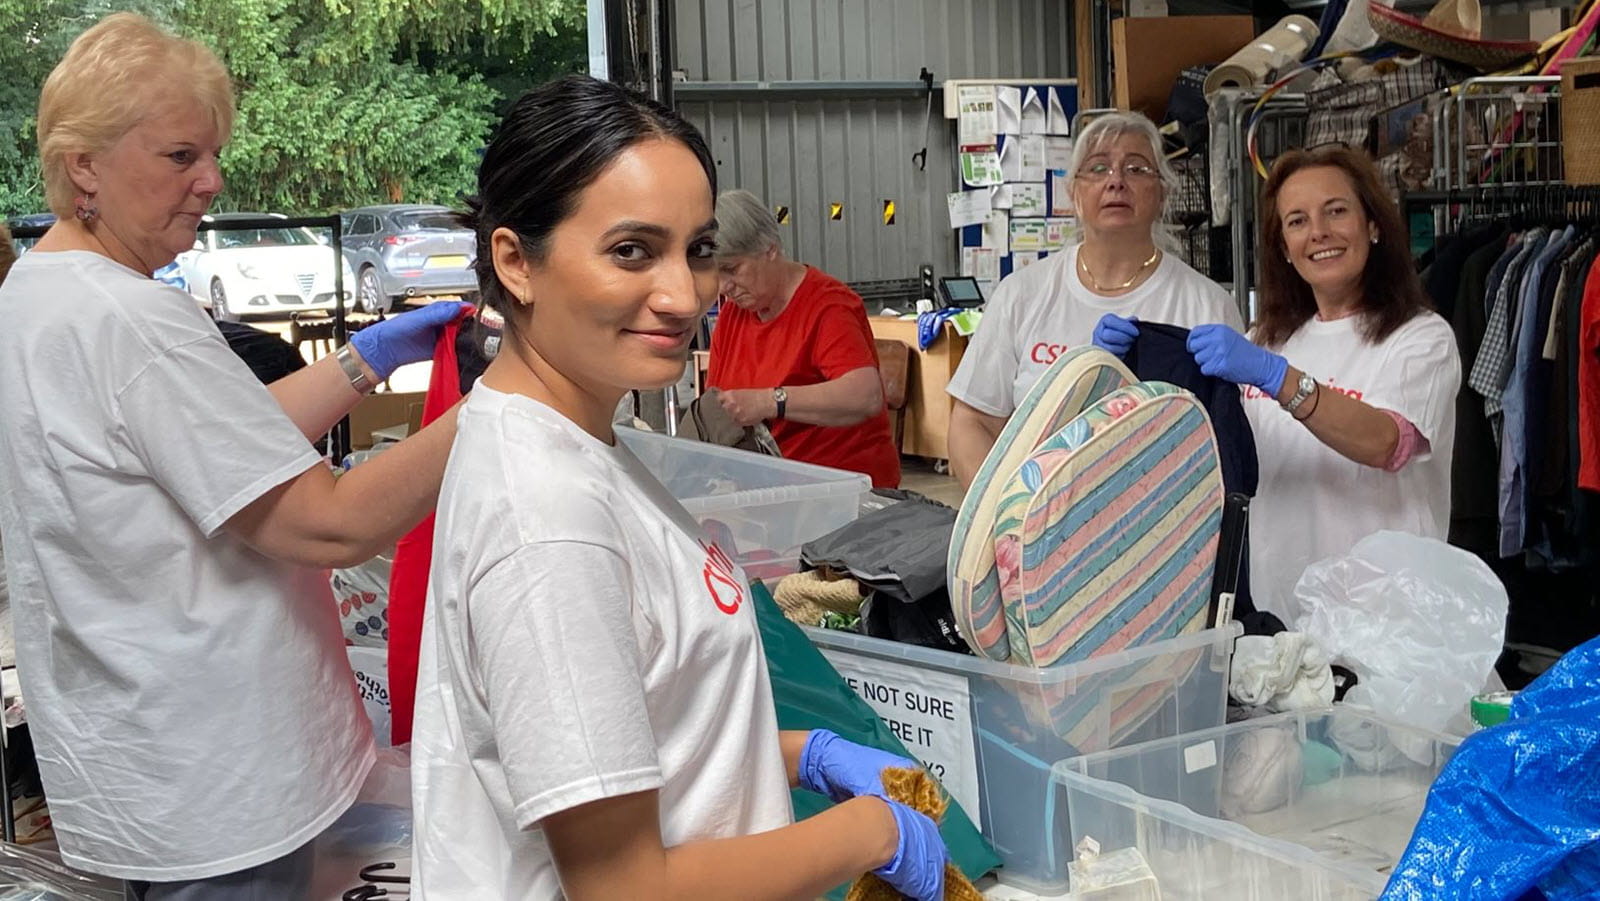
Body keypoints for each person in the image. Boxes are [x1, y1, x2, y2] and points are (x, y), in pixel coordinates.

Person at [409, 76, 948, 900]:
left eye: (696, 251)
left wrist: (801, 753)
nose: (682, 296)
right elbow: (624, 887)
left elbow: (614, 738)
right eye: (631, 250)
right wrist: (864, 832)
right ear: (517, 262)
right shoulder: (550, 519)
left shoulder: (588, 446)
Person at [0, 14, 470, 895]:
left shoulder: (38, 291)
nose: (211, 180)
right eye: (180, 156)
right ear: (84, 166)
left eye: (212, 154)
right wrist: (501, 408)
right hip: (221, 781)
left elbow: (216, 441)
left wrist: (364, 358)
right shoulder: (134, 320)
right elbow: (328, 527)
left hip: (140, 762)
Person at [1169, 145, 1459, 619]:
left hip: (1388, 622)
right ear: (1283, 247)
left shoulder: (1421, 337)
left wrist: (1278, 379)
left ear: (1373, 225)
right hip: (1281, 617)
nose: (1319, 232)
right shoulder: (1265, 339)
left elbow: (1386, 444)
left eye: (1337, 211)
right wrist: (1133, 369)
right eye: (1297, 221)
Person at [947, 110, 1243, 488]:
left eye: (1136, 169)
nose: (1116, 181)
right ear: (1074, 193)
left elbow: (1228, 441)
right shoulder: (1022, 294)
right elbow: (972, 420)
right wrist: (1004, 520)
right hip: (1038, 528)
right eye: (1098, 168)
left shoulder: (1206, 304)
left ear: (1163, 192)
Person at [706, 189, 900, 487]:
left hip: (843, 494)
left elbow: (865, 396)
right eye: (716, 274)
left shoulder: (828, 306)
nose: (724, 287)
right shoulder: (734, 315)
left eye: (732, 270)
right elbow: (718, 406)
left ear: (770, 250)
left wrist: (770, 401)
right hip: (773, 493)